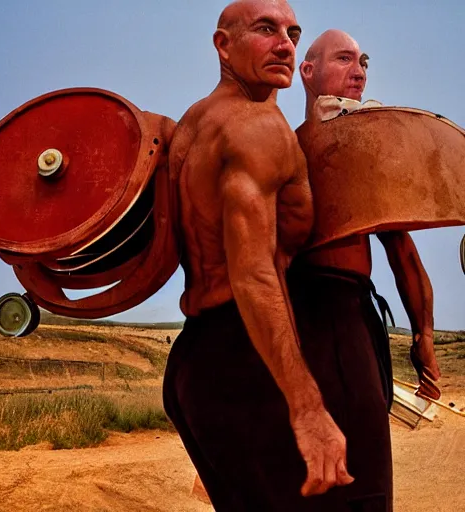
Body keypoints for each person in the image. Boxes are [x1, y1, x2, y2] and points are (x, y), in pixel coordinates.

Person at [163, 2, 356, 510]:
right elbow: (252, 274)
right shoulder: (258, 126)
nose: (286, 45)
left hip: (191, 364)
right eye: (266, 30)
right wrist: (307, 407)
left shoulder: (190, 126)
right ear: (222, 45)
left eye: (292, 33)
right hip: (246, 359)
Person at [283, 29, 443, 511]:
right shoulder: (282, 150)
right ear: (307, 72)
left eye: (364, 62)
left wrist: (425, 336)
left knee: (362, 463)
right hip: (299, 317)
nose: (360, 71)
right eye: (344, 59)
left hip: (352, 317)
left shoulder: (367, 150)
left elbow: (402, 252)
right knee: (299, 465)